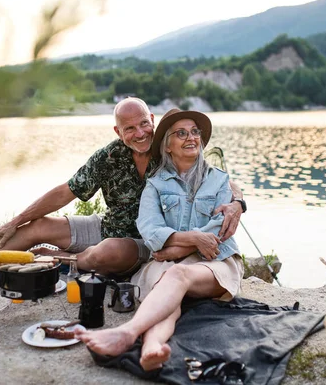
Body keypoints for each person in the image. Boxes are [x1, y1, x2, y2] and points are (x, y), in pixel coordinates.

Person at [0, 98, 244, 276]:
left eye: (144, 124)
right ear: (118, 132)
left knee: (110, 251)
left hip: (149, 241)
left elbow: (220, 178)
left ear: (153, 120)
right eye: (130, 128)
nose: (140, 133)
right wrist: (18, 219)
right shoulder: (108, 157)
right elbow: (65, 191)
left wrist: (236, 203)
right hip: (106, 227)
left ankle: (64, 260)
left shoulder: (169, 149)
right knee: (38, 226)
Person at [75, 108, 243, 371]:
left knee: (177, 275)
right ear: (167, 146)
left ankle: (127, 333)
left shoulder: (219, 181)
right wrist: (192, 238)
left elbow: (217, 234)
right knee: (167, 286)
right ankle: (152, 345)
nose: (191, 138)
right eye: (181, 133)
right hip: (166, 263)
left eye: (195, 132)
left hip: (215, 262)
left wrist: (175, 249)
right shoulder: (155, 185)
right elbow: (150, 231)